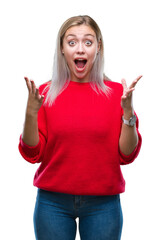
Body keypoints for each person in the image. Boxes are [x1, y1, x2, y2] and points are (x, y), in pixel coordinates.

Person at [18, 15, 142, 240]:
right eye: (72, 42)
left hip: (103, 204)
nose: (80, 49)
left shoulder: (117, 94)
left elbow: (127, 155)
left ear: (98, 47)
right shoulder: (46, 93)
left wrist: (128, 113)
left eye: (88, 42)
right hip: (52, 203)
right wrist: (30, 113)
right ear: (62, 49)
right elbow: (32, 153)